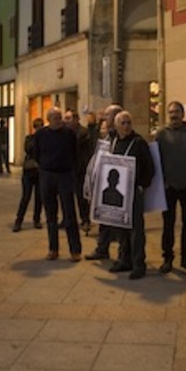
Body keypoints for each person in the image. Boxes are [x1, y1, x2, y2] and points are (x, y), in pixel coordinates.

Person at [107, 110, 154, 279]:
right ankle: (123, 259)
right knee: (120, 227)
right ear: (116, 125)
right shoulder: (113, 142)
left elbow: (150, 167)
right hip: (118, 193)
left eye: (128, 123)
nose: (126, 126)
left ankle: (138, 264)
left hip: (133, 192)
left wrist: (142, 185)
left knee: (136, 229)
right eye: (123, 123)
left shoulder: (139, 143)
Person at [156, 100, 186, 274]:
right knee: (168, 224)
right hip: (168, 187)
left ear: (183, 114)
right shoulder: (161, 134)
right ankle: (167, 257)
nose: (174, 115)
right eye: (171, 112)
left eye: (177, 112)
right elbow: (156, 159)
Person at [32, 107, 82, 261]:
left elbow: (75, 153)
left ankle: (75, 250)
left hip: (65, 175)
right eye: (56, 117)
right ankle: (53, 249)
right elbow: (36, 153)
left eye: (60, 117)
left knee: (69, 213)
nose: (59, 120)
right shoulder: (41, 134)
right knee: (50, 215)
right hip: (47, 175)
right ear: (49, 119)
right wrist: (45, 166)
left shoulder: (69, 134)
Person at [85, 104, 123, 261]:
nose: (105, 119)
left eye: (108, 116)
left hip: (119, 185)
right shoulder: (107, 137)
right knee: (103, 219)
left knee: (120, 223)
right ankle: (102, 248)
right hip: (104, 184)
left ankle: (124, 254)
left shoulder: (121, 137)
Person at [64, 109, 93, 232]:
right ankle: (68, 219)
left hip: (80, 169)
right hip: (68, 169)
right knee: (66, 196)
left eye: (68, 118)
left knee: (82, 198)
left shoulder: (82, 133)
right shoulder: (65, 133)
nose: (66, 121)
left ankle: (85, 219)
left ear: (76, 119)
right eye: (65, 118)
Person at [14, 118, 43, 231]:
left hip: (40, 171)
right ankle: (19, 220)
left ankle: (37, 219)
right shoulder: (29, 138)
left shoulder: (44, 140)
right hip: (29, 171)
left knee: (39, 197)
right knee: (26, 196)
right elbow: (29, 150)